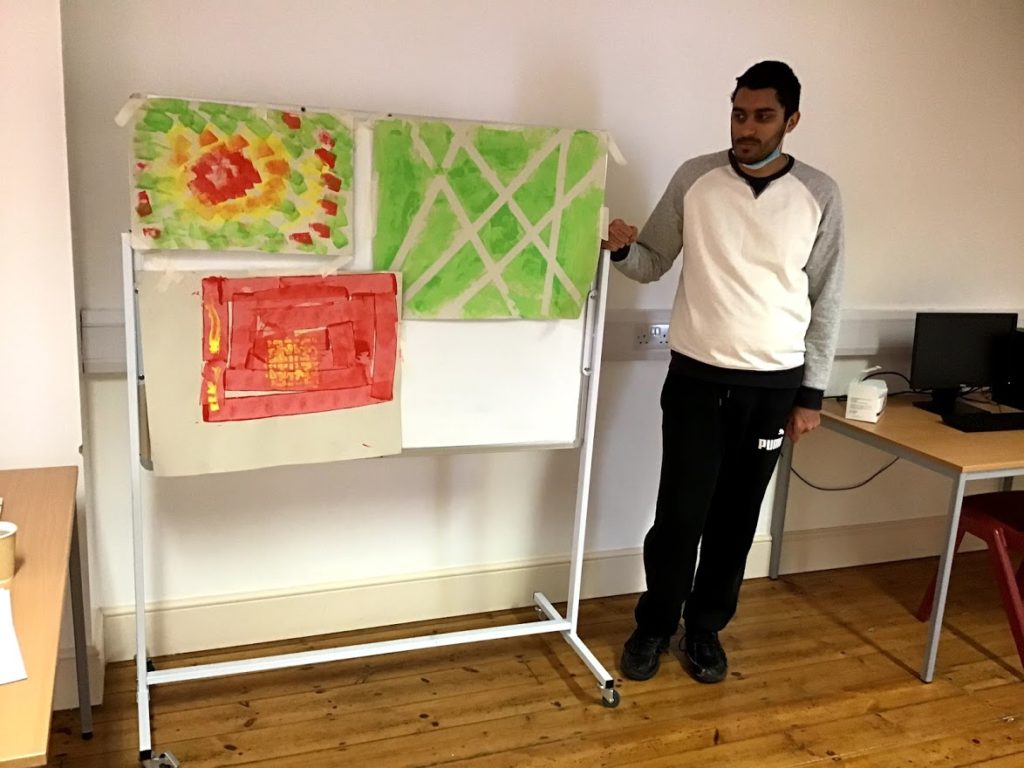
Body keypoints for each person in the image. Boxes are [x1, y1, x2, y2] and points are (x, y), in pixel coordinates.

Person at [602, 60, 844, 684]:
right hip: (696, 382)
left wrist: (811, 394)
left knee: (736, 518)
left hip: (774, 388)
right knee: (680, 514)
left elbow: (827, 298)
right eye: (739, 113)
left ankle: (705, 628)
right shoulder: (696, 179)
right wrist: (623, 248)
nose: (747, 128)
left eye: (763, 116)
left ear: (791, 121)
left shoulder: (819, 194)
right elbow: (653, 260)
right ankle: (655, 623)